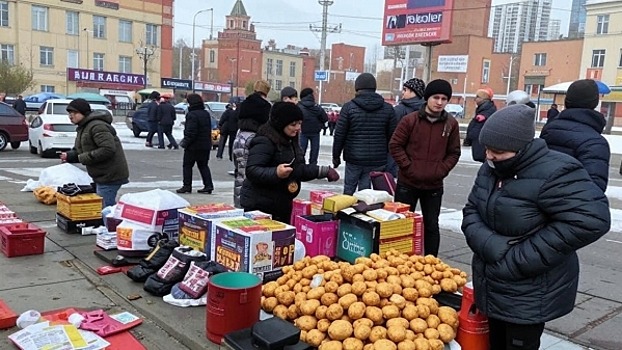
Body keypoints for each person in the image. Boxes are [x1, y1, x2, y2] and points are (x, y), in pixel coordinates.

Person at [462, 104, 610, 350]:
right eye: (487, 148)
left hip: (528, 290)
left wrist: (518, 259)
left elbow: (592, 220)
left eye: (497, 151)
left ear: (522, 148)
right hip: (492, 281)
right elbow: (471, 210)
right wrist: (491, 245)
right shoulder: (492, 168)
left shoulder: (557, 171)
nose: (488, 156)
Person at [389, 79, 461, 256]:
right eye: (436, 97)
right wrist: (408, 167)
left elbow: (454, 152)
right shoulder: (410, 120)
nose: (439, 102)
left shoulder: (451, 124)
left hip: (434, 186)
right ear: (427, 98)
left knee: (431, 225)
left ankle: (430, 262)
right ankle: (400, 261)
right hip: (407, 183)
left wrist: (441, 170)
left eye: (444, 98)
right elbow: (395, 145)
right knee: (402, 224)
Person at [241, 102, 339, 223]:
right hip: (260, 206)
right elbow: (252, 170)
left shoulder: (291, 141)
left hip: (281, 203)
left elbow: (298, 169)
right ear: (281, 124)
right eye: (293, 124)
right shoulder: (264, 140)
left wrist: (323, 171)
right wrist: (275, 172)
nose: (298, 128)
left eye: (300, 123)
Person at [540, 79, 609, 192]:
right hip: (566, 206)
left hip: (538, 202)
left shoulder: (549, 129)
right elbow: (593, 191)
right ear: (594, 103)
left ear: (567, 101)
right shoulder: (595, 142)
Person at [332, 73, 396, 195]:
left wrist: (336, 156)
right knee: (367, 194)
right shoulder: (388, 109)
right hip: (378, 159)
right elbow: (392, 137)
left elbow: (340, 134)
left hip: (354, 158)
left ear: (357, 87)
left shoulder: (349, 108)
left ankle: (346, 212)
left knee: (349, 191)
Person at [60, 98, 129, 207]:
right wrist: (70, 155)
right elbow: (82, 148)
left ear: (84, 113)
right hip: (101, 175)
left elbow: (107, 149)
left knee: (105, 210)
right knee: (104, 208)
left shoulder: (97, 126)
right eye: (69, 113)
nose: (71, 116)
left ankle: (112, 223)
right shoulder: (84, 127)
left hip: (109, 175)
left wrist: (82, 158)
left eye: (74, 112)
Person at [232, 80, 272, 207]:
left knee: (240, 174)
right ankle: (245, 206)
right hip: (254, 138)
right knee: (249, 176)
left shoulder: (244, 103)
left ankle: (238, 205)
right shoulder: (266, 106)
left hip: (239, 138)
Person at [388, 77, 426, 177]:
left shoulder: (399, 110)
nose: (402, 92)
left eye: (405, 89)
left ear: (414, 92)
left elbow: (391, 133)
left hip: (398, 158)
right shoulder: (427, 110)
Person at [176, 94, 214, 194]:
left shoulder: (192, 114)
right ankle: (208, 185)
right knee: (203, 165)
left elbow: (191, 132)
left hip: (193, 146)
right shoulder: (205, 113)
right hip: (205, 145)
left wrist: (185, 143)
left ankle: (187, 186)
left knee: (187, 165)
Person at [465, 87, 496, 162]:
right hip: (479, 144)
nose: (475, 99)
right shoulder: (483, 110)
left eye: (478, 97)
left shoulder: (485, 112)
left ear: (484, 99)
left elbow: (476, 129)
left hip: (481, 145)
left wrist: (469, 138)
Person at [298, 88, 328, 165]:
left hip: (302, 131)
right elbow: (325, 118)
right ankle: (313, 165)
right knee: (314, 150)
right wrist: (320, 126)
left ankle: (300, 165)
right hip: (315, 132)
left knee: (301, 150)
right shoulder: (317, 107)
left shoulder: (299, 106)